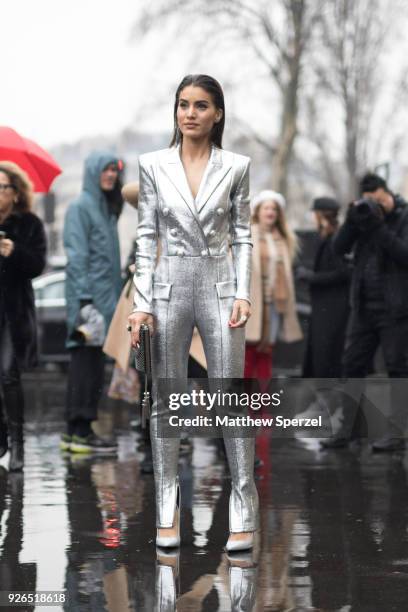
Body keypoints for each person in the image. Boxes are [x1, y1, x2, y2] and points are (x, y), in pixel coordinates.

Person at [128, 74, 259, 551]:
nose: (190, 113)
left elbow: (244, 234)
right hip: (167, 287)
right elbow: (145, 237)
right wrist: (142, 304)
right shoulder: (152, 165)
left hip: (221, 284)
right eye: (183, 104)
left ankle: (244, 508)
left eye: (201, 105)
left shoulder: (238, 166)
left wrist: (244, 292)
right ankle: (167, 507)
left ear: (217, 113)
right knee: (167, 402)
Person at [322, 173, 408, 451]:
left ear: (386, 192)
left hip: (396, 308)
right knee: (352, 366)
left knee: (397, 369)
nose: (374, 206)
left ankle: (396, 435)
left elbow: (404, 255)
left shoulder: (403, 217)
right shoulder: (361, 218)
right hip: (363, 308)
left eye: (377, 200)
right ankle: (349, 430)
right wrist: (352, 220)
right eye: (368, 202)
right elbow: (338, 248)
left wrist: (376, 227)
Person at [62, 152, 124, 453]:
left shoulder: (107, 210)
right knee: (84, 365)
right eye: (105, 169)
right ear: (93, 172)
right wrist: (85, 302)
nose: (111, 175)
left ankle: (76, 433)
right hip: (88, 304)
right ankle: (80, 432)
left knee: (93, 366)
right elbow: (77, 258)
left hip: (105, 303)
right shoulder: (80, 207)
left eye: (115, 169)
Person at [0, 161, 47, 471]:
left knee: (8, 375)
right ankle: (2, 437)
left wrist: (13, 251)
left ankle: (18, 445)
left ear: (15, 193)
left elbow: (38, 265)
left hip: (12, 314)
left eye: (3, 187)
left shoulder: (29, 224)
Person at [244, 190, 302, 380]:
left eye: (274, 209)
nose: (270, 212)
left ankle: (262, 408)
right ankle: (241, 405)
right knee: (248, 353)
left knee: (266, 353)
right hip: (251, 303)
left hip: (274, 305)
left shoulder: (284, 239)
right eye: (266, 208)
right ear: (258, 211)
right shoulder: (246, 234)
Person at [299, 197, 350, 378]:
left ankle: (329, 402)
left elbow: (344, 272)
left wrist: (313, 277)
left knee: (327, 353)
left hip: (333, 307)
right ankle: (322, 401)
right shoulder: (327, 237)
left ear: (321, 215)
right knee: (319, 352)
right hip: (324, 305)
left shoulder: (336, 239)